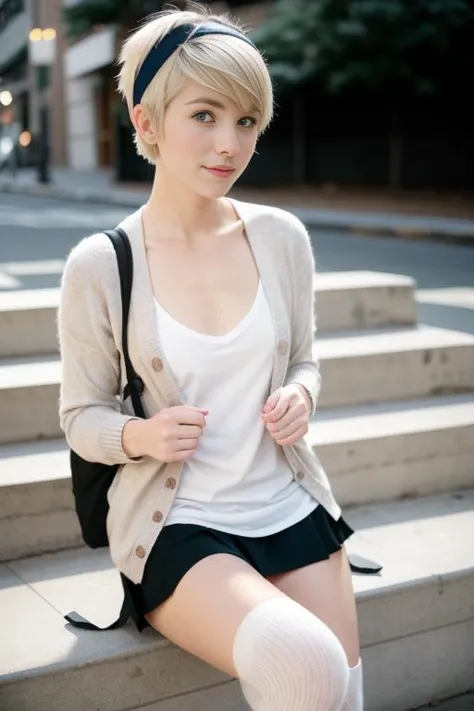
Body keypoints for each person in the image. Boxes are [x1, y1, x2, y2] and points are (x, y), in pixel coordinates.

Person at [58, 6, 364, 711]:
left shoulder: (282, 237)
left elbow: (306, 362)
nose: (229, 143)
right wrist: (141, 434)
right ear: (146, 123)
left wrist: (302, 396)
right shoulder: (102, 265)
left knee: (345, 691)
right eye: (204, 115)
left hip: (287, 502)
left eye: (247, 121)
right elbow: (80, 417)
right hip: (178, 522)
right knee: (307, 662)